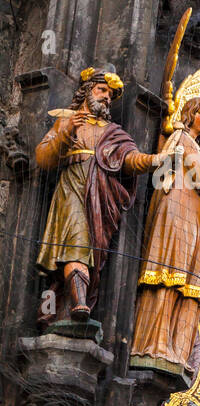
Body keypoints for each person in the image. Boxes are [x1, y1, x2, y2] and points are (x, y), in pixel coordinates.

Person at [34, 67, 164, 326]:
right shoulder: (66, 120)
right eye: (101, 90)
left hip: (100, 197)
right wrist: (67, 131)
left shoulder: (113, 132)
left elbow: (130, 160)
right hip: (71, 188)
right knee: (75, 247)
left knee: (83, 253)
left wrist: (155, 160)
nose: (106, 97)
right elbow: (43, 157)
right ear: (86, 91)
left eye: (110, 94)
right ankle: (79, 304)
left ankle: (52, 308)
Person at [129, 79, 200, 373]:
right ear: (189, 113)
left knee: (187, 280)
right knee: (169, 272)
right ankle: (154, 342)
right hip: (177, 209)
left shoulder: (196, 145)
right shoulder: (182, 139)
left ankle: (175, 348)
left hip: (192, 214)